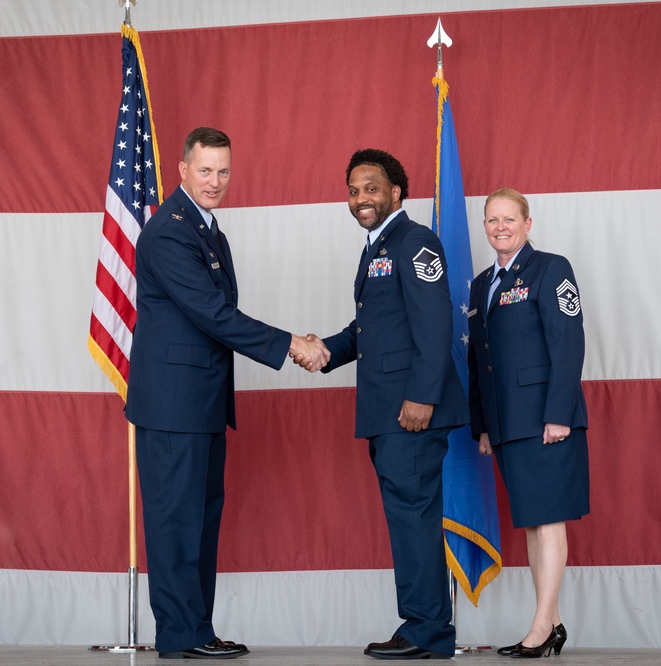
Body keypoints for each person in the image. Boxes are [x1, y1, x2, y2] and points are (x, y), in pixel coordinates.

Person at [125, 127, 329, 659]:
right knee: (175, 522)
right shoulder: (169, 232)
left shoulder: (208, 232)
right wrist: (291, 345)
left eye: (223, 171)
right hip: (172, 404)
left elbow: (217, 318)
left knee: (200, 519)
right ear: (183, 170)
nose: (215, 181)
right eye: (206, 170)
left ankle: (199, 630)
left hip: (201, 402)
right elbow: (214, 315)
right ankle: (178, 636)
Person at [314, 148, 468, 660]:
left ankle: (428, 631)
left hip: (411, 413)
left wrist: (422, 397)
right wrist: (323, 352)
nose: (361, 198)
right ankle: (420, 625)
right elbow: (370, 329)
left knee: (415, 517)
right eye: (354, 189)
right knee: (406, 518)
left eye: (372, 187)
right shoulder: (375, 247)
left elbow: (435, 322)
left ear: (396, 191)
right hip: (387, 413)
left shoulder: (414, 241)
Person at [466, 188, 590, 658]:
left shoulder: (551, 269)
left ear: (527, 223)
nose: (500, 227)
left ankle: (539, 628)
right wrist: (483, 425)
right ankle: (552, 623)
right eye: (492, 220)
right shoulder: (481, 285)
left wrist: (559, 414)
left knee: (549, 522)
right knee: (534, 526)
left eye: (509, 220)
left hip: (545, 420)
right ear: (485, 226)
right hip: (507, 425)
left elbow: (568, 342)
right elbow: (480, 361)